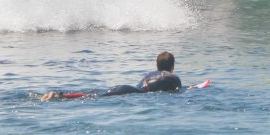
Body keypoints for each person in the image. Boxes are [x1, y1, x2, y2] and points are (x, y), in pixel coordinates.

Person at [40, 51, 182, 101]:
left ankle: (61, 96)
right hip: (129, 92)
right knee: (94, 98)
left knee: (93, 96)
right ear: (172, 66)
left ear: (157, 65)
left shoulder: (150, 75)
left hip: (126, 88)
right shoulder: (173, 78)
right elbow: (177, 91)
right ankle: (58, 96)